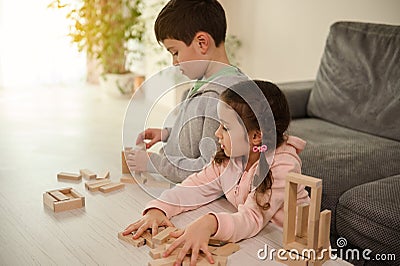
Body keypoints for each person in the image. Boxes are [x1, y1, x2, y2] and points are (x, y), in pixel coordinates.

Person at [123, 80, 310, 265]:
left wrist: (209, 223)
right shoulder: (231, 156)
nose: (217, 133)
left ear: (256, 136)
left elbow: (252, 218)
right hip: (258, 240)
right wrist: (159, 208)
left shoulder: (282, 166)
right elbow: (196, 185)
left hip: (288, 247)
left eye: (225, 127)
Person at [126, 0, 247, 182]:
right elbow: (197, 130)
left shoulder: (220, 97)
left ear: (202, 43)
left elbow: (210, 169)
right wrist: (167, 133)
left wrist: (154, 163)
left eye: (175, 52)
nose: (174, 62)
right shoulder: (207, 82)